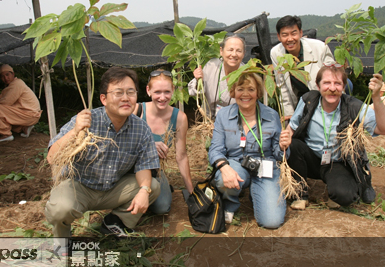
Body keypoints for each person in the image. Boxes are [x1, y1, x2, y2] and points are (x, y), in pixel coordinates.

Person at [45, 67, 161, 240]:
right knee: (61, 208)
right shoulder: (87, 120)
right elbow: (51, 157)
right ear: (104, 99)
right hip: (80, 187)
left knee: (153, 186)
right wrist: (75, 131)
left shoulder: (141, 128)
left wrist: (144, 190)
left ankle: (115, 222)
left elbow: (144, 166)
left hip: (113, 189)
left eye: (130, 92)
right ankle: (62, 239)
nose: (125, 98)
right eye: (118, 92)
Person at [280, 64, 385, 210]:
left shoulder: (354, 106)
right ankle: (300, 194)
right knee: (294, 145)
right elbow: (292, 128)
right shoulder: (308, 100)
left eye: (337, 83)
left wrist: (376, 97)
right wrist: (285, 138)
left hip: (337, 162)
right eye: (326, 83)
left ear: (344, 86)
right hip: (311, 159)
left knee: (344, 196)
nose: (332, 88)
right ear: (318, 85)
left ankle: (336, 189)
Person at [208, 72, 288, 229]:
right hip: (236, 164)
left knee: (271, 221)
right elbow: (215, 150)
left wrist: (284, 146)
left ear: (258, 92)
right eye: (240, 89)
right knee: (222, 179)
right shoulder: (224, 115)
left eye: (251, 89)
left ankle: (257, 193)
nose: (245, 94)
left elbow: (280, 156)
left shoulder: (271, 115)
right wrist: (225, 168)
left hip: (266, 167)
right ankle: (230, 203)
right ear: (233, 92)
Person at [134, 69, 193, 214]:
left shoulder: (179, 118)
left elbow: (181, 156)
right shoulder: (136, 111)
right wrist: (149, 146)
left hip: (155, 170)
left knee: (162, 207)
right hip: (130, 169)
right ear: (148, 91)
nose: (162, 97)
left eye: (167, 92)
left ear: (173, 90)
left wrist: (192, 193)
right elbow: (119, 143)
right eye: (157, 92)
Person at [270, 16, 335, 120]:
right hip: (301, 99)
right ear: (279, 36)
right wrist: (290, 118)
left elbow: (334, 79)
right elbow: (283, 87)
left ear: (300, 33)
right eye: (285, 35)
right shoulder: (276, 53)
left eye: (293, 33)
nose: (290, 39)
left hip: (322, 95)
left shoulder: (320, 47)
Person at [188, 33, 246, 119]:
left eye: (239, 51)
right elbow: (194, 93)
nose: (234, 54)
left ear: (244, 54)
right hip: (209, 121)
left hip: (236, 122)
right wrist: (198, 80)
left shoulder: (247, 73)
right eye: (230, 50)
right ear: (221, 51)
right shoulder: (211, 66)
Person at [0, 64, 42, 142]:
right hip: (30, 115)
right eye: (2, 76)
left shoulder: (17, 84)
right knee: (3, 114)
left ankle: (5, 134)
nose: (5, 78)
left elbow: (6, 101)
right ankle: (25, 128)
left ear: (13, 74)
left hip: (30, 115)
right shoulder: (15, 84)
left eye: (7, 75)